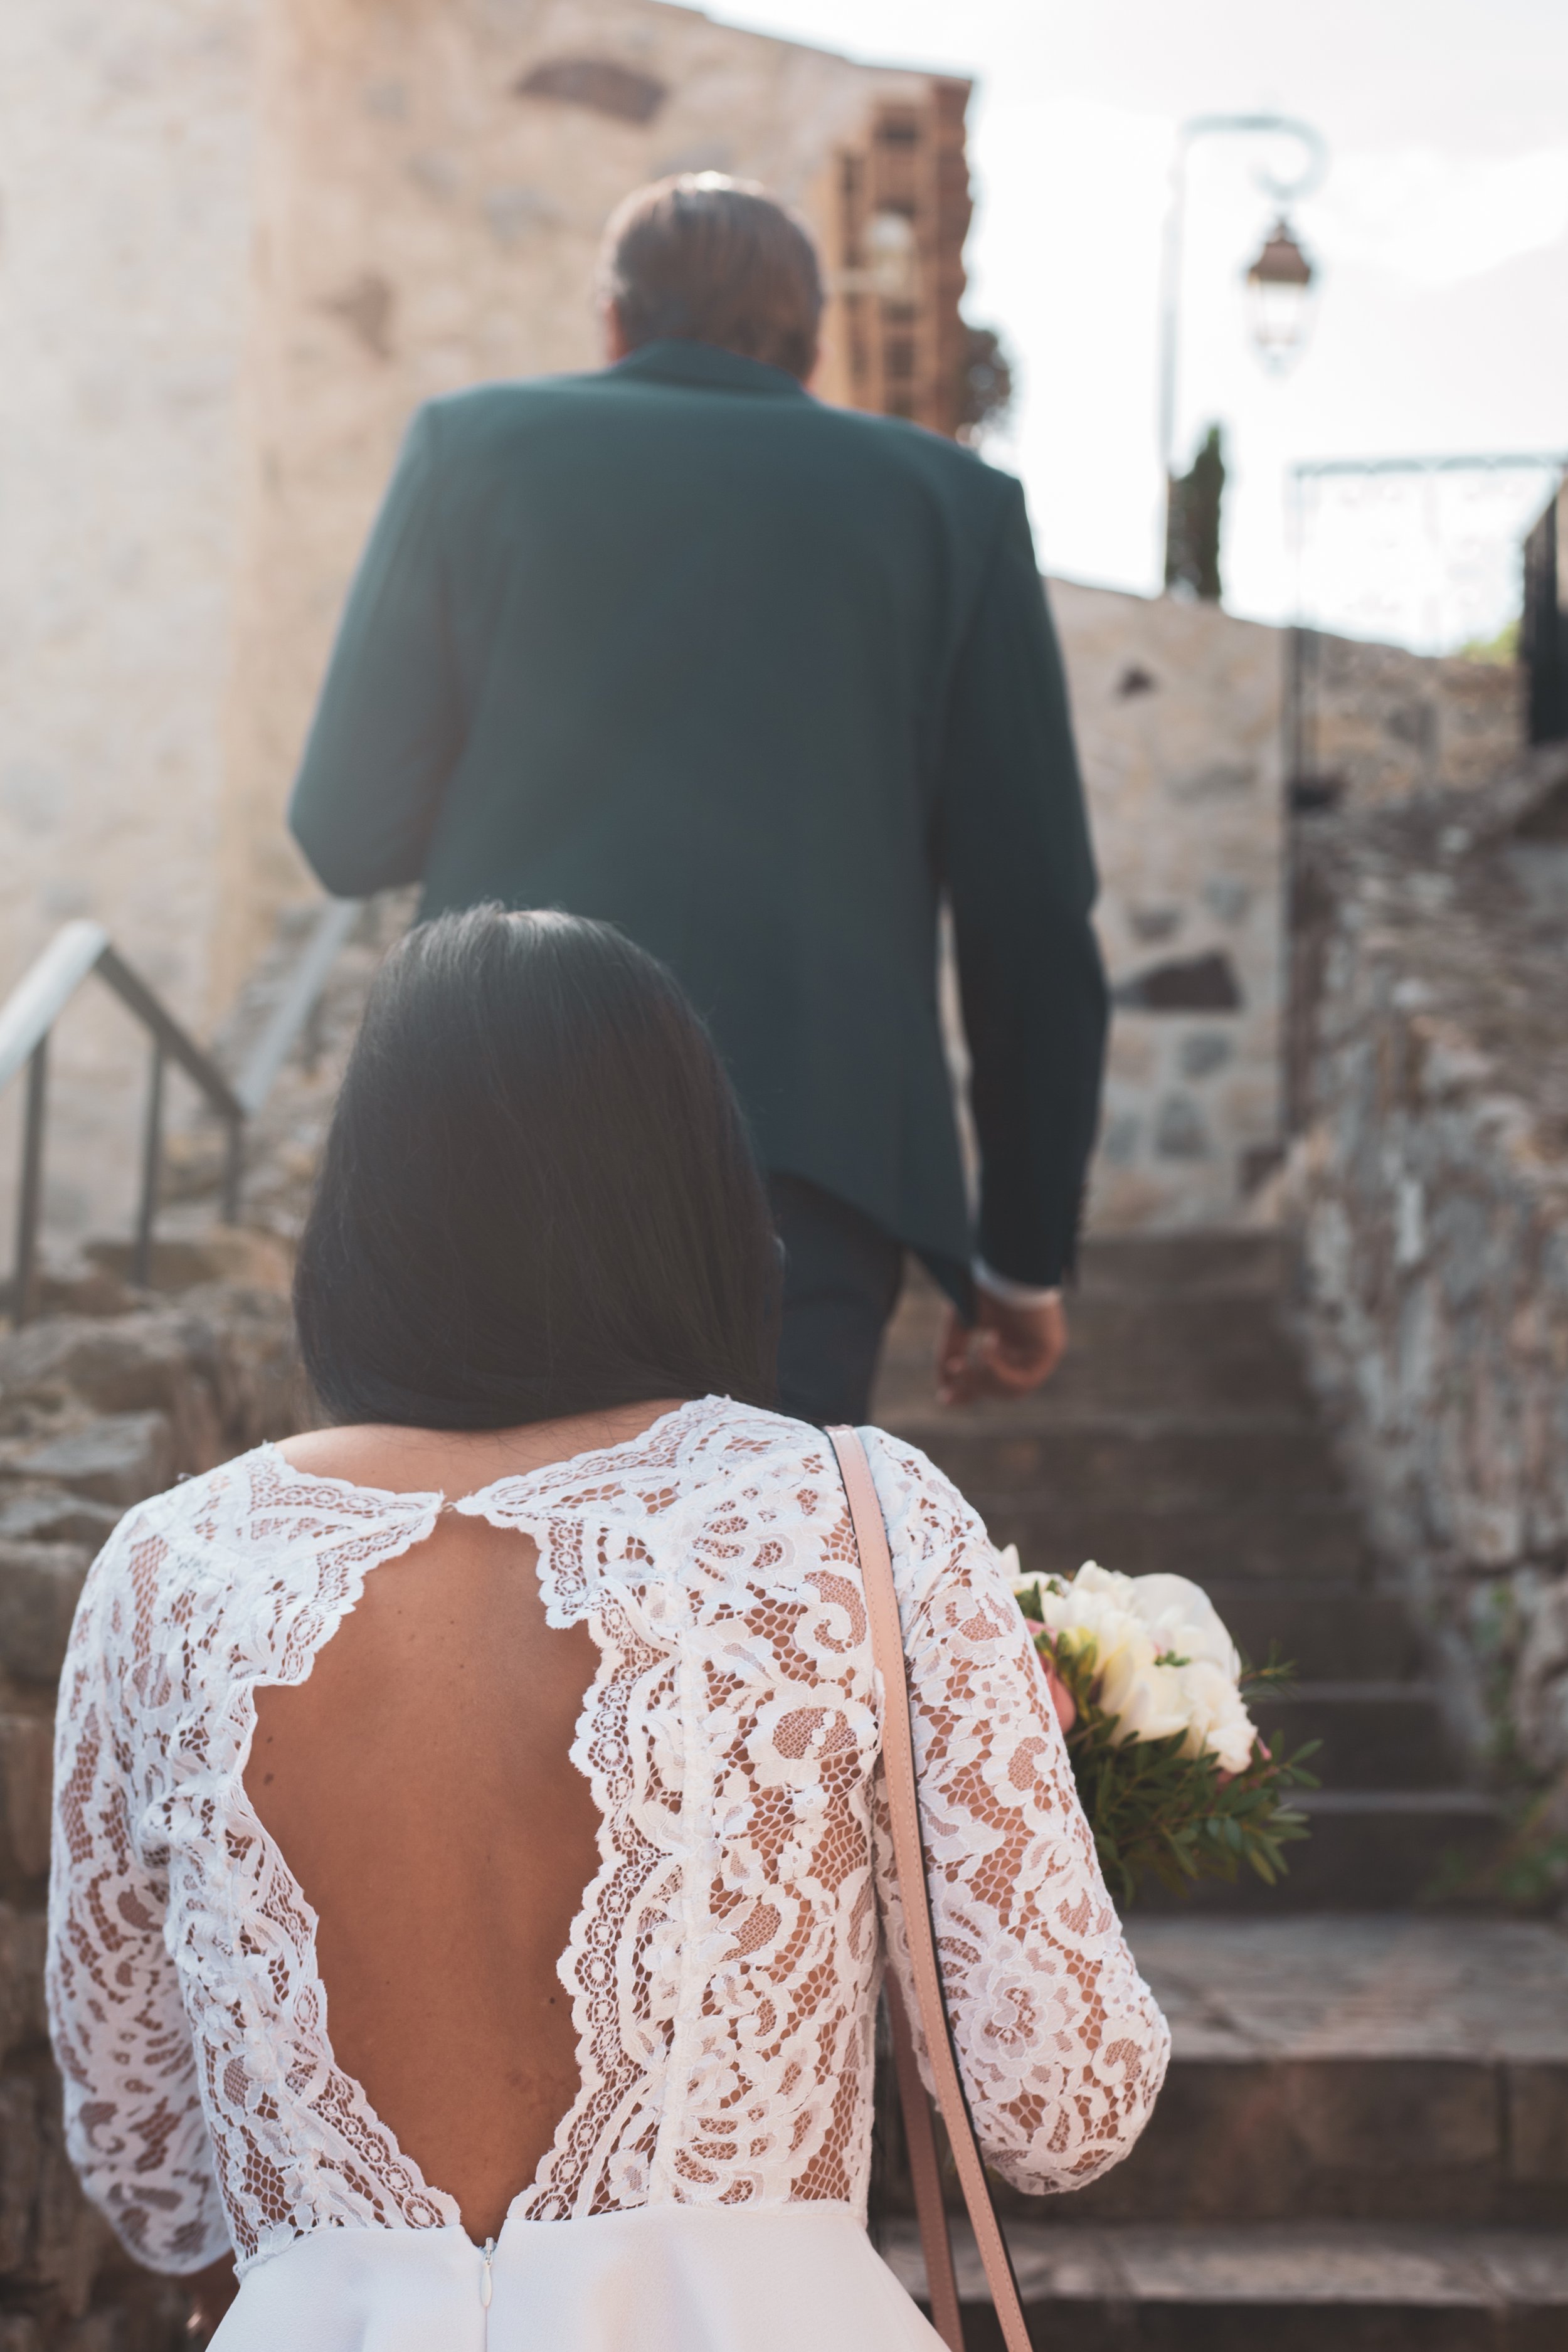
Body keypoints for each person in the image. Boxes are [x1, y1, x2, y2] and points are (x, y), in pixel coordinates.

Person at [48, 909, 1167, 2348]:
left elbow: (156, 2184)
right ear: (691, 1193)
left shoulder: (167, 1570)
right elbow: (1057, 2110)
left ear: (362, 1207)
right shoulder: (848, 1515)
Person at [287, 176, 1108, 1426]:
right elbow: (1032, 911)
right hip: (808, 1170)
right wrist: (1017, 1260)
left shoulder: (468, 448)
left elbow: (345, 827)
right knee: (742, 1602)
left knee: (470, 1587)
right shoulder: (953, 508)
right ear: (815, 348)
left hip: (480, 1123)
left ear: (614, 324)